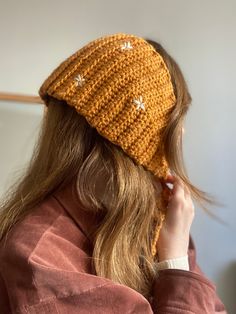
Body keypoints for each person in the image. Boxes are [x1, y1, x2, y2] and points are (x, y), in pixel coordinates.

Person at [0, 33, 227, 313]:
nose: (182, 135)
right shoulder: (39, 256)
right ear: (135, 142)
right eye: (176, 122)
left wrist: (176, 252)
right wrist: (175, 264)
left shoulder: (155, 228)